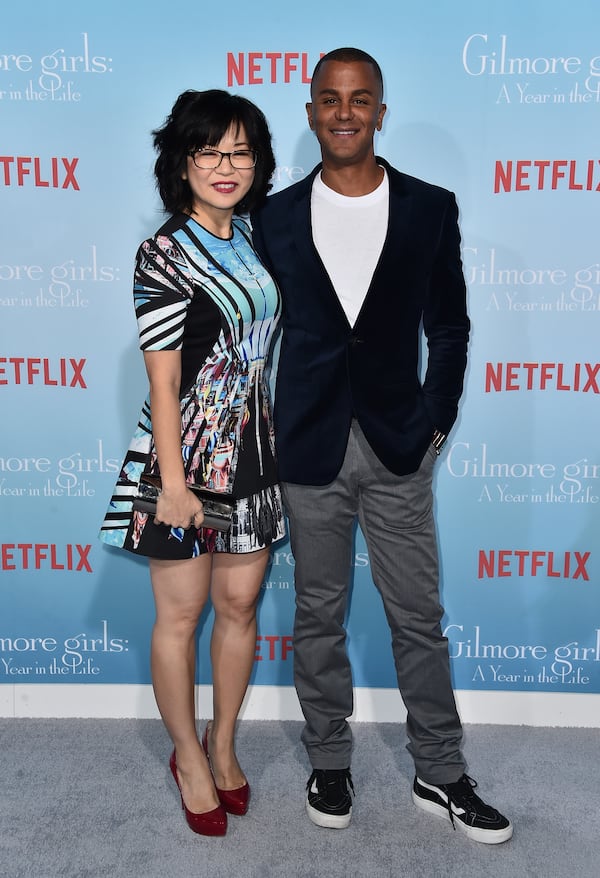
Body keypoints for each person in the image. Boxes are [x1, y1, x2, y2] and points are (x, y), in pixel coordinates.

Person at [251, 48, 512, 844]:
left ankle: (441, 769)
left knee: (418, 618)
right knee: (320, 613)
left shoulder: (432, 207)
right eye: (329, 99)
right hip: (309, 447)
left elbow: (451, 327)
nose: (344, 111)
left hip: (400, 446)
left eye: (360, 99)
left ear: (380, 112)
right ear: (310, 113)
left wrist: (435, 422)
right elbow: (250, 331)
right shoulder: (274, 216)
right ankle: (329, 758)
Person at [100, 89, 285, 836]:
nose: (225, 165)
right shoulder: (164, 253)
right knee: (180, 617)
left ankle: (224, 743)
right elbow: (164, 380)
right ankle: (187, 755)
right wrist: (172, 484)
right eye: (209, 150)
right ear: (181, 162)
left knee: (239, 608)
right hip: (185, 461)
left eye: (240, 151)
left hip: (256, 452)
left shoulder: (257, 236)